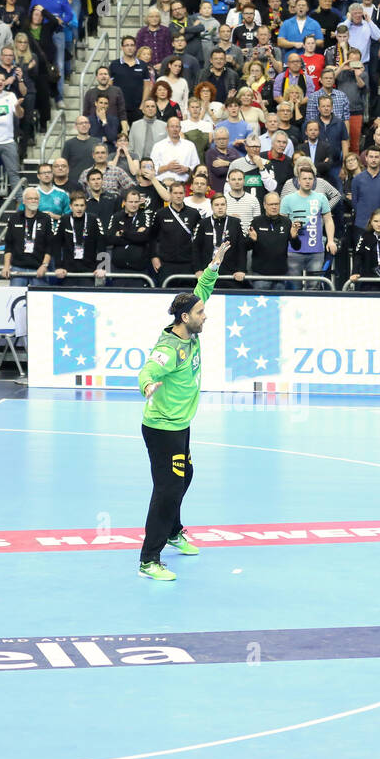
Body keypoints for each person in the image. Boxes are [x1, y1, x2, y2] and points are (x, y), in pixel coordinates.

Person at [135, 241, 230, 582]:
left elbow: (202, 288)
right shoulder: (169, 348)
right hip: (163, 429)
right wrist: (148, 386)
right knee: (167, 490)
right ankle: (149, 559)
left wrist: (215, 262)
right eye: (201, 314)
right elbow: (147, 370)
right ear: (185, 317)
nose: (206, 316)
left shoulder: (190, 331)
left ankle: (174, 531)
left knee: (184, 477)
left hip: (180, 424)